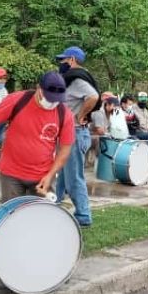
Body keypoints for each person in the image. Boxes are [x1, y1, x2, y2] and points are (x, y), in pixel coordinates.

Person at [0, 72, 75, 203]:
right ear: (39, 88)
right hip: (11, 173)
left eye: (56, 99)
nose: (52, 103)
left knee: (41, 217)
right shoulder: (17, 100)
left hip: (42, 175)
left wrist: (51, 175)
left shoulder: (64, 114)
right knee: (11, 215)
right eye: (49, 97)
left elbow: (65, 149)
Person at [56, 46, 98, 227]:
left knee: (74, 178)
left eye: (63, 60)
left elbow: (93, 96)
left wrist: (80, 115)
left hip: (74, 133)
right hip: (69, 133)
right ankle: (53, 204)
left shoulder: (77, 79)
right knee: (62, 176)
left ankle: (83, 215)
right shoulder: (75, 79)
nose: (60, 63)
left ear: (72, 60)